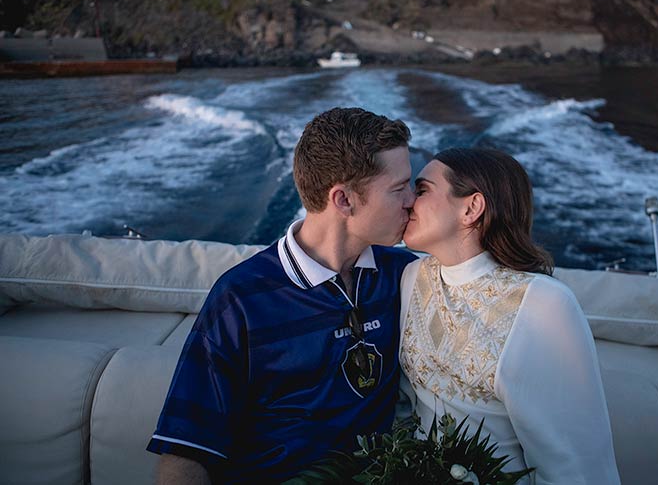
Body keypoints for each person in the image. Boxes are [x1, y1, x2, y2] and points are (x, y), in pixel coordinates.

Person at [147, 107, 417, 484]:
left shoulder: (402, 274)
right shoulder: (241, 298)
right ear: (343, 200)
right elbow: (186, 452)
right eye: (399, 187)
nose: (412, 199)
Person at [399, 148, 620, 485]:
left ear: (471, 208)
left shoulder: (543, 304)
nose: (409, 201)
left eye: (423, 189)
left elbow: (575, 466)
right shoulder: (413, 276)